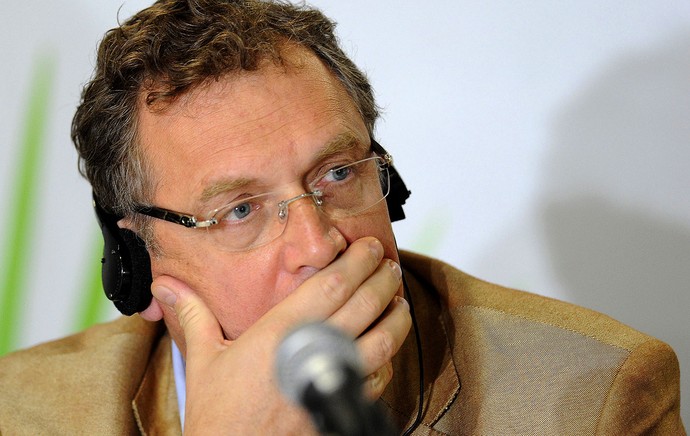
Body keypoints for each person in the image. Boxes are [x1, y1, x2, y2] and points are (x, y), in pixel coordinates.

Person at [0, 0, 684, 434]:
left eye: (337, 173)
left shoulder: (598, 397)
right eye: (240, 210)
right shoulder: (20, 414)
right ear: (139, 262)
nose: (319, 245)